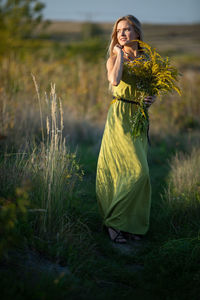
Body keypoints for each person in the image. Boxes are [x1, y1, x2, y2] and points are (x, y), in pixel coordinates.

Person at [96, 15, 156, 243]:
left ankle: (130, 224)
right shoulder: (113, 58)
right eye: (119, 31)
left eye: (127, 30)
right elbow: (114, 80)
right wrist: (120, 54)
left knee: (138, 172)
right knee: (135, 171)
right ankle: (114, 224)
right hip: (119, 116)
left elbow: (153, 89)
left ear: (137, 34)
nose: (122, 34)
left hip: (139, 116)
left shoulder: (148, 60)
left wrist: (151, 99)